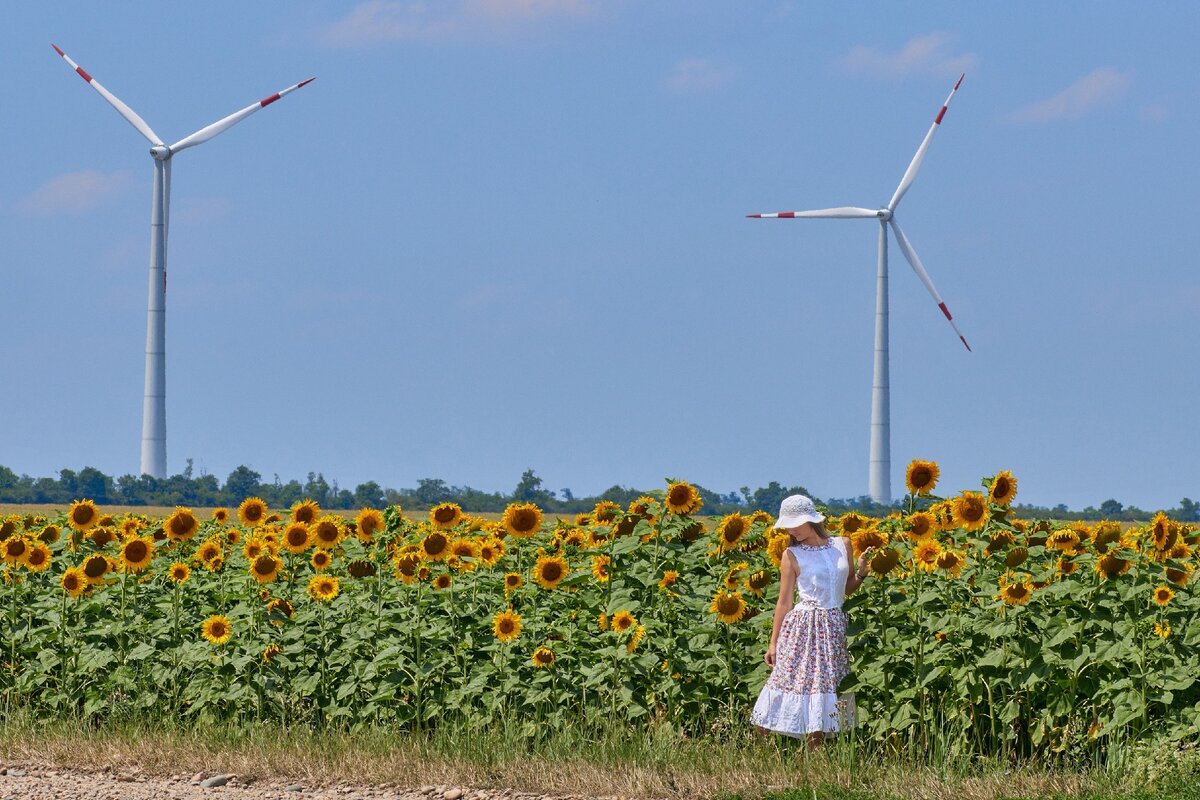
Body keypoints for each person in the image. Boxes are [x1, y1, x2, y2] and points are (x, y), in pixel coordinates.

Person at [749, 494, 875, 750]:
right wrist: (773, 643)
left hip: (834, 626)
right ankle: (757, 748)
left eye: (797, 522)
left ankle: (815, 751)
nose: (792, 529)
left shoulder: (843, 544)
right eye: (788, 524)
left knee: (826, 684)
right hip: (803, 627)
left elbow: (846, 588)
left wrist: (862, 571)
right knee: (787, 682)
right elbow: (784, 602)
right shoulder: (791, 554)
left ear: (812, 520)